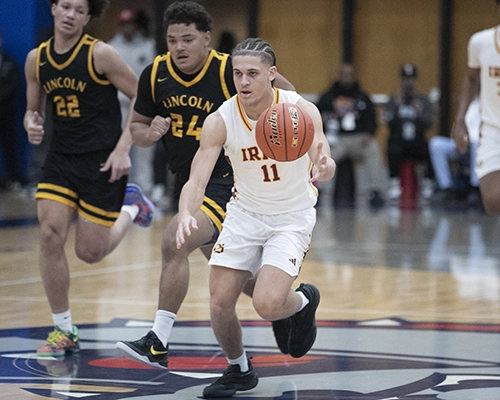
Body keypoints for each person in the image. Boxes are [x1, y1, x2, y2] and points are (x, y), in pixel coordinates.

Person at [115, 0, 295, 369]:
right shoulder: (155, 74)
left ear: (206, 39)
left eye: (187, 39)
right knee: (232, 272)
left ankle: (158, 340)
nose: (179, 47)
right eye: (172, 40)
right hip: (189, 179)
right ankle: (289, 307)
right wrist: (150, 132)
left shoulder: (230, 70)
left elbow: (288, 96)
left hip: (230, 179)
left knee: (174, 240)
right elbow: (136, 129)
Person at [175, 37, 335, 398]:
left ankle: (303, 302)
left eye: (252, 73)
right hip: (245, 214)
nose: (243, 81)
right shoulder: (221, 120)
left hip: (291, 216)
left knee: (267, 304)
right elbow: (196, 179)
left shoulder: (300, 110)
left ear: (271, 74)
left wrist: (325, 167)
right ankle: (239, 370)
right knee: (219, 302)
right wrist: (186, 212)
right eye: (237, 74)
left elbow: (325, 158)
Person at [23, 0, 155, 356]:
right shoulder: (36, 59)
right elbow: (32, 111)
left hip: (101, 160)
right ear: (53, 8)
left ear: (88, 17)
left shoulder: (101, 55)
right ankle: (64, 329)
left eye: (79, 10)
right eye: (65, 6)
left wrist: (123, 149)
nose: (70, 15)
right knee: (50, 234)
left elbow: (142, 99)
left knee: (90, 253)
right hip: (61, 160)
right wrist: (31, 123)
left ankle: (132, 207)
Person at [452, 0, 500, 215]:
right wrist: (460, 120)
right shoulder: (481, 42)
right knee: (493, 200)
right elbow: (471, 79)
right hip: (493, 131)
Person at [316, 62, 386, 208]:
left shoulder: (363, 97)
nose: (347, 78)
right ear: (339, 76)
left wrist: (369, 134)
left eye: (350, 75)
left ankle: (375, 191)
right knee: (324, 154)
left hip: (358, 139)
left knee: (373, 148)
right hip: (337, 139)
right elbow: (315, 117)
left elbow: (372, 119)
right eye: (344, 75)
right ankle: (320, 192)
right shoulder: (328, 97)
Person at [108, 8, 156, 195]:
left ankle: (145, 191)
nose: (127, 28)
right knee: (118, 147)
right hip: (118, 106)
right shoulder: (111, 48)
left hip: (143, 106)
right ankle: (117, 190)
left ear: (135, 25)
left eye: (130, 24)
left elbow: (153, 76)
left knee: (144, 150)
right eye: (123, 24)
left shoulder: (147, 46)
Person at [384, 64, 434, 203]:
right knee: (391, 146)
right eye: (405, 79)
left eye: (411, 79)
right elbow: (388, 123)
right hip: (399, 141)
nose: (408, 82)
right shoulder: (393, 100)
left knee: (429, 148)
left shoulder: (422, 101)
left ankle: (427, 183)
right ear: (401, 80)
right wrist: (397, 108)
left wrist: (419, 113)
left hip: (417, 141)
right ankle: (394, 182)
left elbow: (429, 124)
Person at [430, 97, 481, 206]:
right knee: (436, 144)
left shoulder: (491, 106)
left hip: (480, 146)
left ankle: (475, 188)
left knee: (477, 144)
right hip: (463, 143)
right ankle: (445, 188)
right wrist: (459, 140)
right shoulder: (468, 106)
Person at [0, 30, 25, 189]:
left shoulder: (10, 62)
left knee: (9, 147)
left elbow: (13, 85)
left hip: (6, 113)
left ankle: (14, 178)